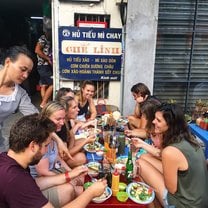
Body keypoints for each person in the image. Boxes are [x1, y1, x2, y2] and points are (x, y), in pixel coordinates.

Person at [0, 113, 107, 208]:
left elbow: (34, 183)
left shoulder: (8, 158)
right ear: (33, 146)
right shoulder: (15, 180)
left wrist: (70, 174)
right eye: (46, 145)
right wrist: (91, 193)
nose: (46, 150)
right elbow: (26, 185)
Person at [133, 103, 208, 208]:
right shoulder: (188, 139)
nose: (154, 121)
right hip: (197, 196)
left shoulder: (170, 151)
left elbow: (171, 189)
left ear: (170, 124)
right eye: (155, 118)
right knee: (145, 157)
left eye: (158, 120)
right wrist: (142, 144)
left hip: (185, 203)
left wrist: (153, 176)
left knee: (140, 164)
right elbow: (161, 155)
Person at [0, 45, 38, 152]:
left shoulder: (19, 94)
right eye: (23, 69)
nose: (25, 75)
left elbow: (35, 117)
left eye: (28, 72)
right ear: (8, 62)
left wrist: (56, 139)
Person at [57, 96, 96, 168]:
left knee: (82, 141)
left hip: (66, 149)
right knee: (82, 157)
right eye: (74, 108)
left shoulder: (67, 120)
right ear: (65, 111)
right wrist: (86, 141)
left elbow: (71, 137)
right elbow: (64, 156)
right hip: (58, 160)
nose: (78, 110)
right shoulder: (61, 126)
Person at [35, 28, 53, 108]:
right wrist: (47, 58)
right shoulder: (43, 39)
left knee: (44, 84)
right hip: (43, 65)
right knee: (53, 83)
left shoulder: (48, 39)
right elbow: (37, 50)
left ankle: (45, 104)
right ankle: (44, 102)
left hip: (44, 66)